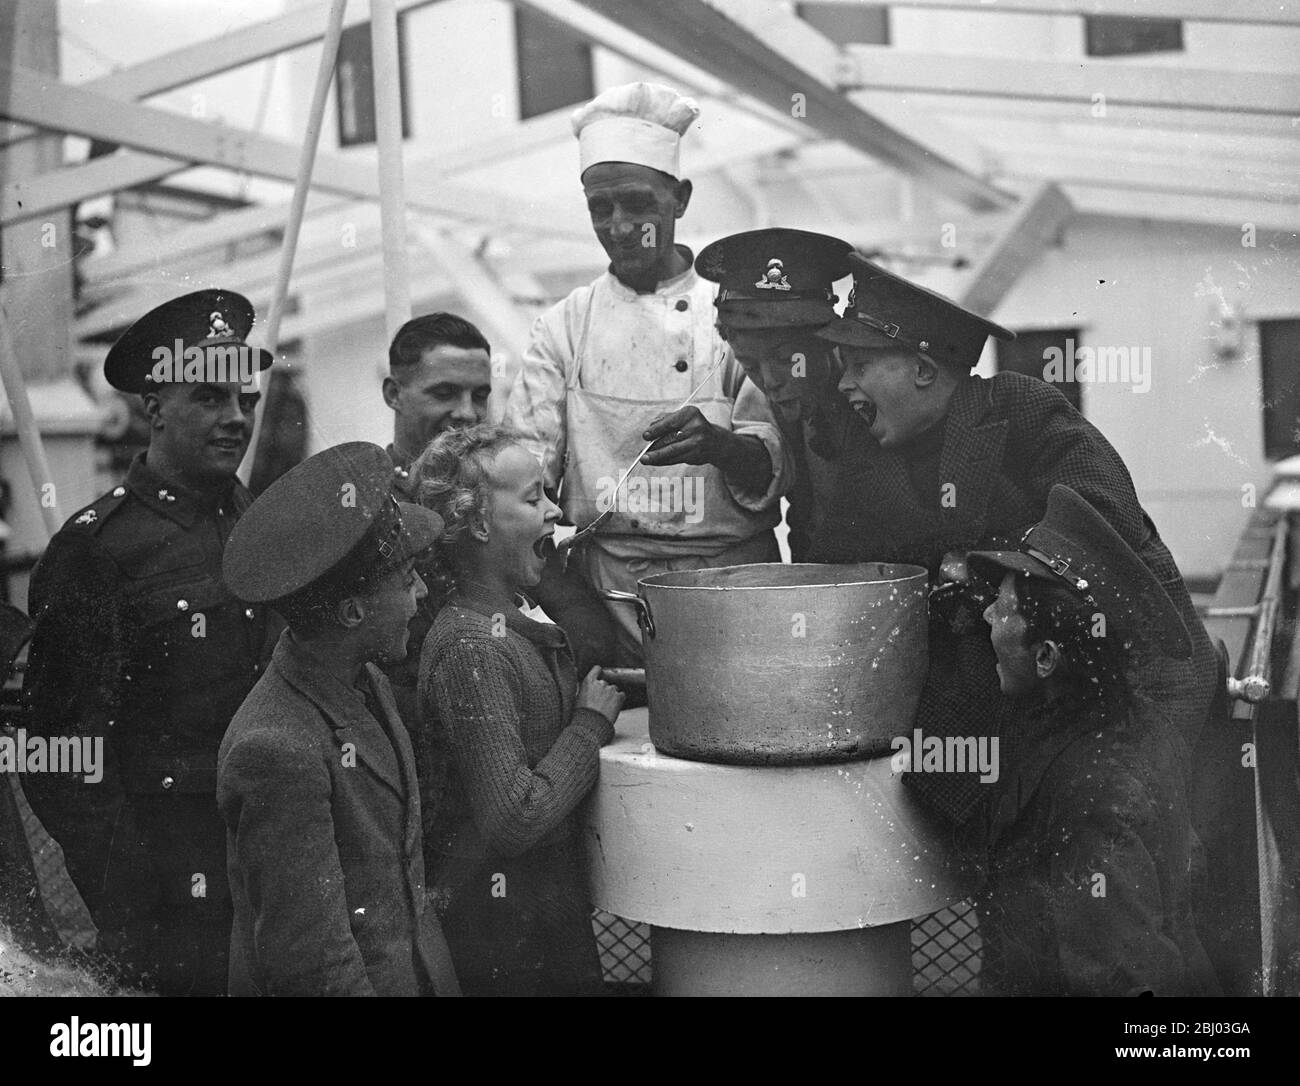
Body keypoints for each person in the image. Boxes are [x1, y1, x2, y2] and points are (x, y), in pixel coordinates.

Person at [811, 254, 1216, 827]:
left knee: (1125, 867)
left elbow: (1103, 513)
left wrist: (978, 570)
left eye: (858, 364)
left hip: (1132, 686)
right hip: (1008, 705)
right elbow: (844, 570)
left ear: (924, 369)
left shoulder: (1020, 407)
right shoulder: (870, 459)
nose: (844, 383)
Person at [22, 289, 275, 995]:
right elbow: (60, 754)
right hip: (167, 886)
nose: (236, 418)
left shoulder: (258, 519)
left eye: (246, 400)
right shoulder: (98, 550)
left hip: (269, 855)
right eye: (209, 397)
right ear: (155, 406)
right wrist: (133, 903)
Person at [502, 81, 792, 665]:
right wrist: (574, 613)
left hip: (735, 589)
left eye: (638, 204)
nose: (618, 225)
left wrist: (721, 447)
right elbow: (521, 481)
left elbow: (777, 464)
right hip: (608, 597)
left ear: (680, 199)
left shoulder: (738, 318)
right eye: (599, 209)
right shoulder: (564, 328)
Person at [217, 442, 459, 997]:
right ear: (352, 613)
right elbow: (312, 967)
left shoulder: (361, 680)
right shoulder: (277, 749)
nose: (422, 593)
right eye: (406, 581)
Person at [965, 485, 1219, 996]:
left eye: (1004, 608)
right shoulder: (1136, 723)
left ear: (1045, 658)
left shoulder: (1090, 794)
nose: (988, 616)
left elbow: (1126, 980)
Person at [414, 424, 624, 996]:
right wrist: (589, 726)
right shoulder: (471, 646)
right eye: (533, 499)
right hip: (504, 941)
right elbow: (514, 817)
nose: (555, 510)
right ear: (480, 524)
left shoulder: (511, 623)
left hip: (543, 922)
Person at [695, 228, 855, 561]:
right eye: (749, 364)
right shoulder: (784, 399)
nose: (769, 381)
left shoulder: (879, 401)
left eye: (787, 360)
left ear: (827, 338)